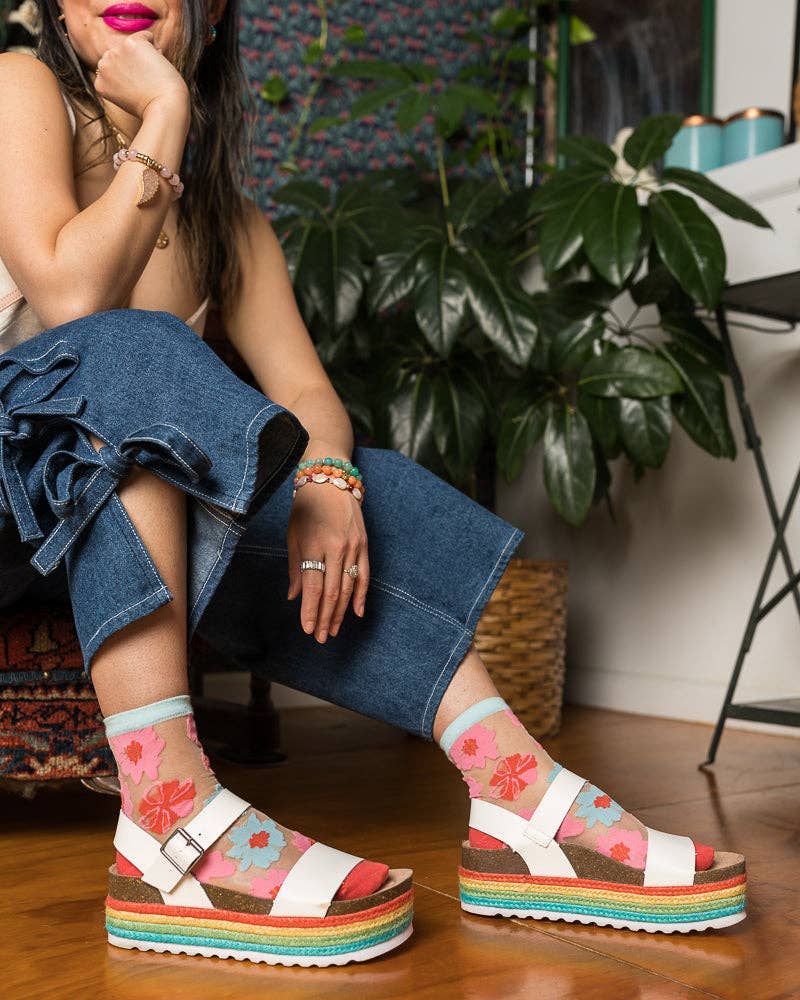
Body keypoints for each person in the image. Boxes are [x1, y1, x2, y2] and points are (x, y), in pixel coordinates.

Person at [0, 0, 747, 968]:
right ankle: (167, 816)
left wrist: (327, 480)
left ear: (212, 10)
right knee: (130, 360)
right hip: (11, 511)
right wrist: (167, 111)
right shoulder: (21, 88)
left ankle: (517, 797)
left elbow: (308, 392)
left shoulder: (227, 224)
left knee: (345, 487)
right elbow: (73, 302)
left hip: (117, 528)